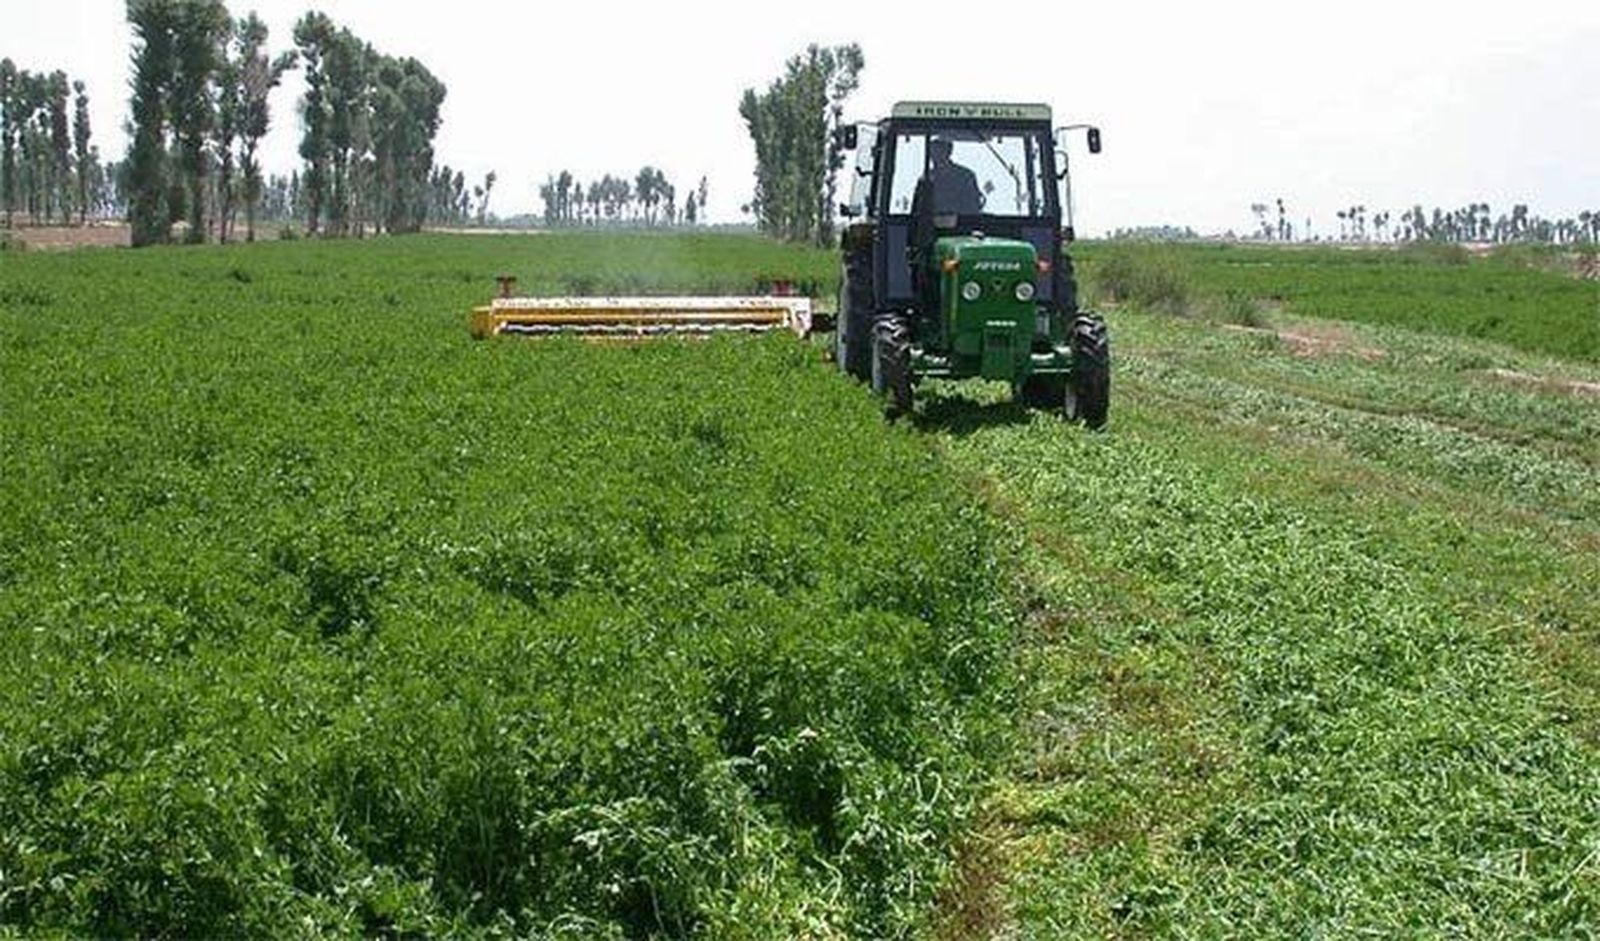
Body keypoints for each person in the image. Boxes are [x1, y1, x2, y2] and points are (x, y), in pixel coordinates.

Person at [926, 137, 983, 214]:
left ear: (948, 151)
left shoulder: (965, 177)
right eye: (933, 149)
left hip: (962, 224)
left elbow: (973, 210)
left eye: (939, 149)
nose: (935, 153)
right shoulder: (927, 178)